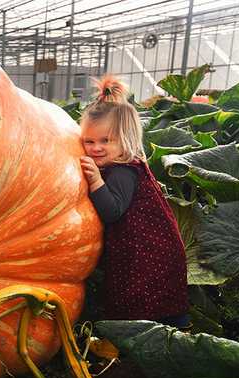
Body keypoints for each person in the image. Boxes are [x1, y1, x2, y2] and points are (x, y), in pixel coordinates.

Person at [79, 76, 190, 328]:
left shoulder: (123, 171)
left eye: (105, 141)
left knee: (144, 298)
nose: (96, 148)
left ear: (125, 139)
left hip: (147, 253)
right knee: (154, 298)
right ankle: (170, 329)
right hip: (142, 249)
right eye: (89, 141)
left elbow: (112, 212)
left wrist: (96, 181)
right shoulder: (119, 164)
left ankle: (165, 336)